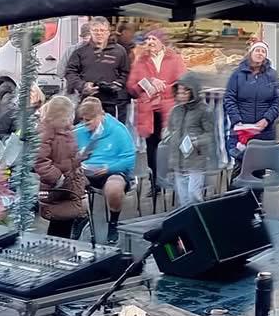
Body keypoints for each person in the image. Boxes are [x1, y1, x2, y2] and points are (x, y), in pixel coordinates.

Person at [127, 30, 185, 193]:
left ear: (162, 42)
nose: (150, 42)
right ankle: (155, 184)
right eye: (148, 39)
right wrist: (148, 83)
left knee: (169, 146)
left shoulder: (175, 59)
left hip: (169, 111)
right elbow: (132, 87)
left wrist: (163, 87)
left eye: (154, 39)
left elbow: (183, 82)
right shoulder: (140, 61)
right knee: (151, 148)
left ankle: (171, 179)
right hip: (148, 111)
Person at [74, 96, 136, 244]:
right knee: (71, 182)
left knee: (114, 188)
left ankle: (113, 223)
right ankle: (80, 219)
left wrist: (109, 168)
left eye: (89, 120)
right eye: (83, 120)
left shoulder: (118, 130)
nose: (86, 124)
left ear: (100, 115)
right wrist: (77, 158)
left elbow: (129, 159)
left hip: (113, 170)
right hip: (87, 169)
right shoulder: (78, 131)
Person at [34, 96, 88, 238]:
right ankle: (55, 253)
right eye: (69, 116)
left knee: (67, 220)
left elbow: (68, 155)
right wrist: (57, 177)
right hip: (57, 187)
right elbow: (40, 160)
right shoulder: (46, 133)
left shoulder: (68, 132)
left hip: (70, 185)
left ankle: (65, 248)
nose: (71, 119)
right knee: (59, 222)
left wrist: (80, 159)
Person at [162, 72, 218, 205]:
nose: (181, 96)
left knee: (194, 195)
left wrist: (197, 140)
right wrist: (167, 136)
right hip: (178, 161)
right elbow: (169, 130)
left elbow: (210, 135)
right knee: (183, 199)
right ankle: (188, 223)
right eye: (179, 92)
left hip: (196, 162)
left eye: (185, 92)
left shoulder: (204, 111)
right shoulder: (175, 111)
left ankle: (199, 221)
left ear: (193, 92)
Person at [224, 41, 279, 159]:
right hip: (242, 131)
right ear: (251, 53)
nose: (260, 53)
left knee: (260, 165)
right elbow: (229, 98)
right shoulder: (237, 74)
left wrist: (267, 119)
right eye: (257, 50)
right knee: (241, 164)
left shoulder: (272, 75)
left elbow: (278, 100)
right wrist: (237, 121)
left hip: (264, 131)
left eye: (263, 51)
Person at [64, 17, 131, 119]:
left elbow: (125, 72)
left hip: (111, 102)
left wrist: (118, 84)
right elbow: (70, 72)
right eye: (95, 30)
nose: (99, 33)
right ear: (90, 32)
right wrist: (83, 86)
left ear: (108, 32)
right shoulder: (80, 52)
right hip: (87, 100)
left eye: (102, 30)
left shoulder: (120, 51)